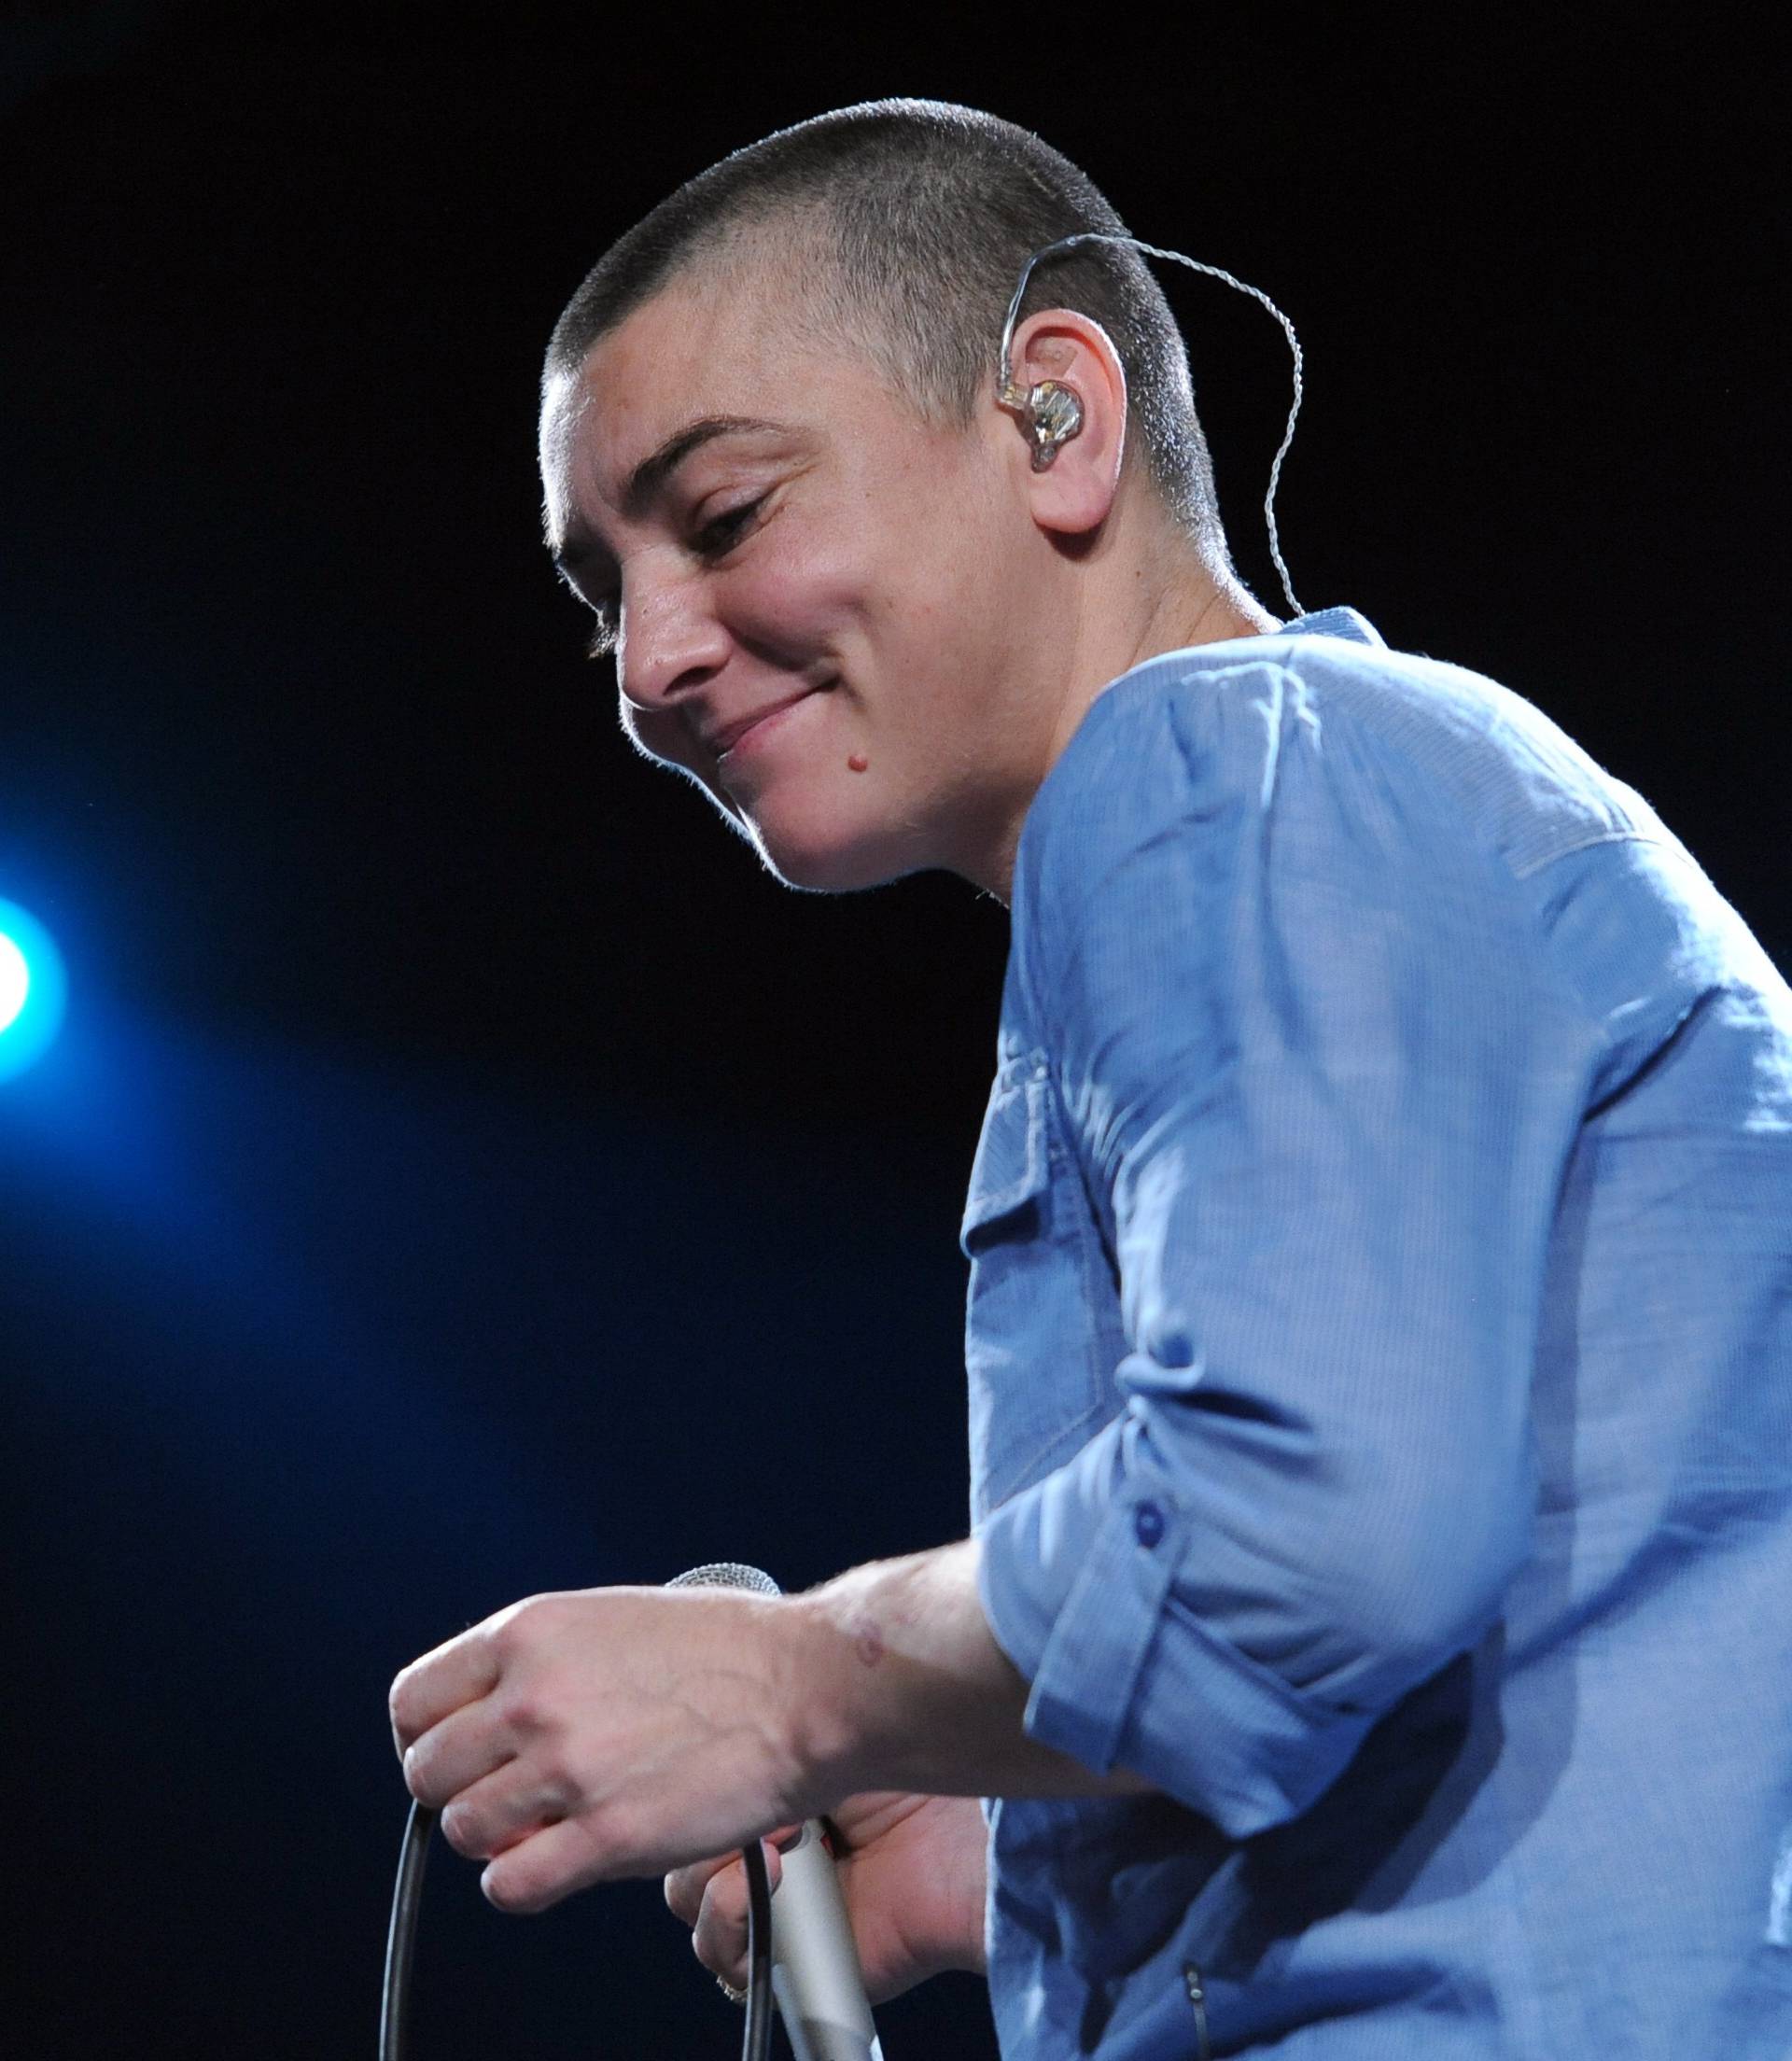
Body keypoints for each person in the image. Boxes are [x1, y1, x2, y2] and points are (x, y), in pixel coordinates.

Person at [387, 99, 1792, 2057]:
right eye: (601, 595)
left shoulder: (1201, 766)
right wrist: (1012, 1845)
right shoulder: (1339, 804)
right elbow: (1506, 1593)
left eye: (717, 520)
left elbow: (1317, 1526)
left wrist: (800, 1681)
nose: (648, 664)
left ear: (1056, 418)